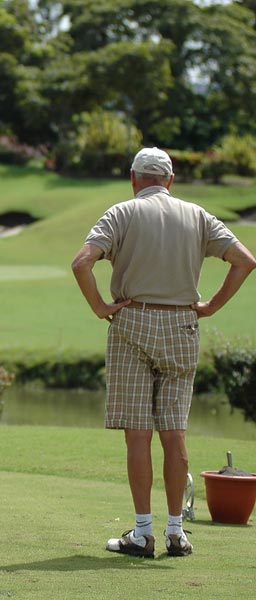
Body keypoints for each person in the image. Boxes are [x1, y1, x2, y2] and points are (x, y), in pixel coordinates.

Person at [71, 147, 256, 557]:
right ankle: (176, 532)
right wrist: (211, 307)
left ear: (134, 178)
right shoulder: (197, 215)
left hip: (132, 322)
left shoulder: (120, 213)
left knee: (138, 435)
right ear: (170, 181)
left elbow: (82, 262)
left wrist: (101, 308)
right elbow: (245, 261)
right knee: (174, 433)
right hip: (181, 325)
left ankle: (142, 533)